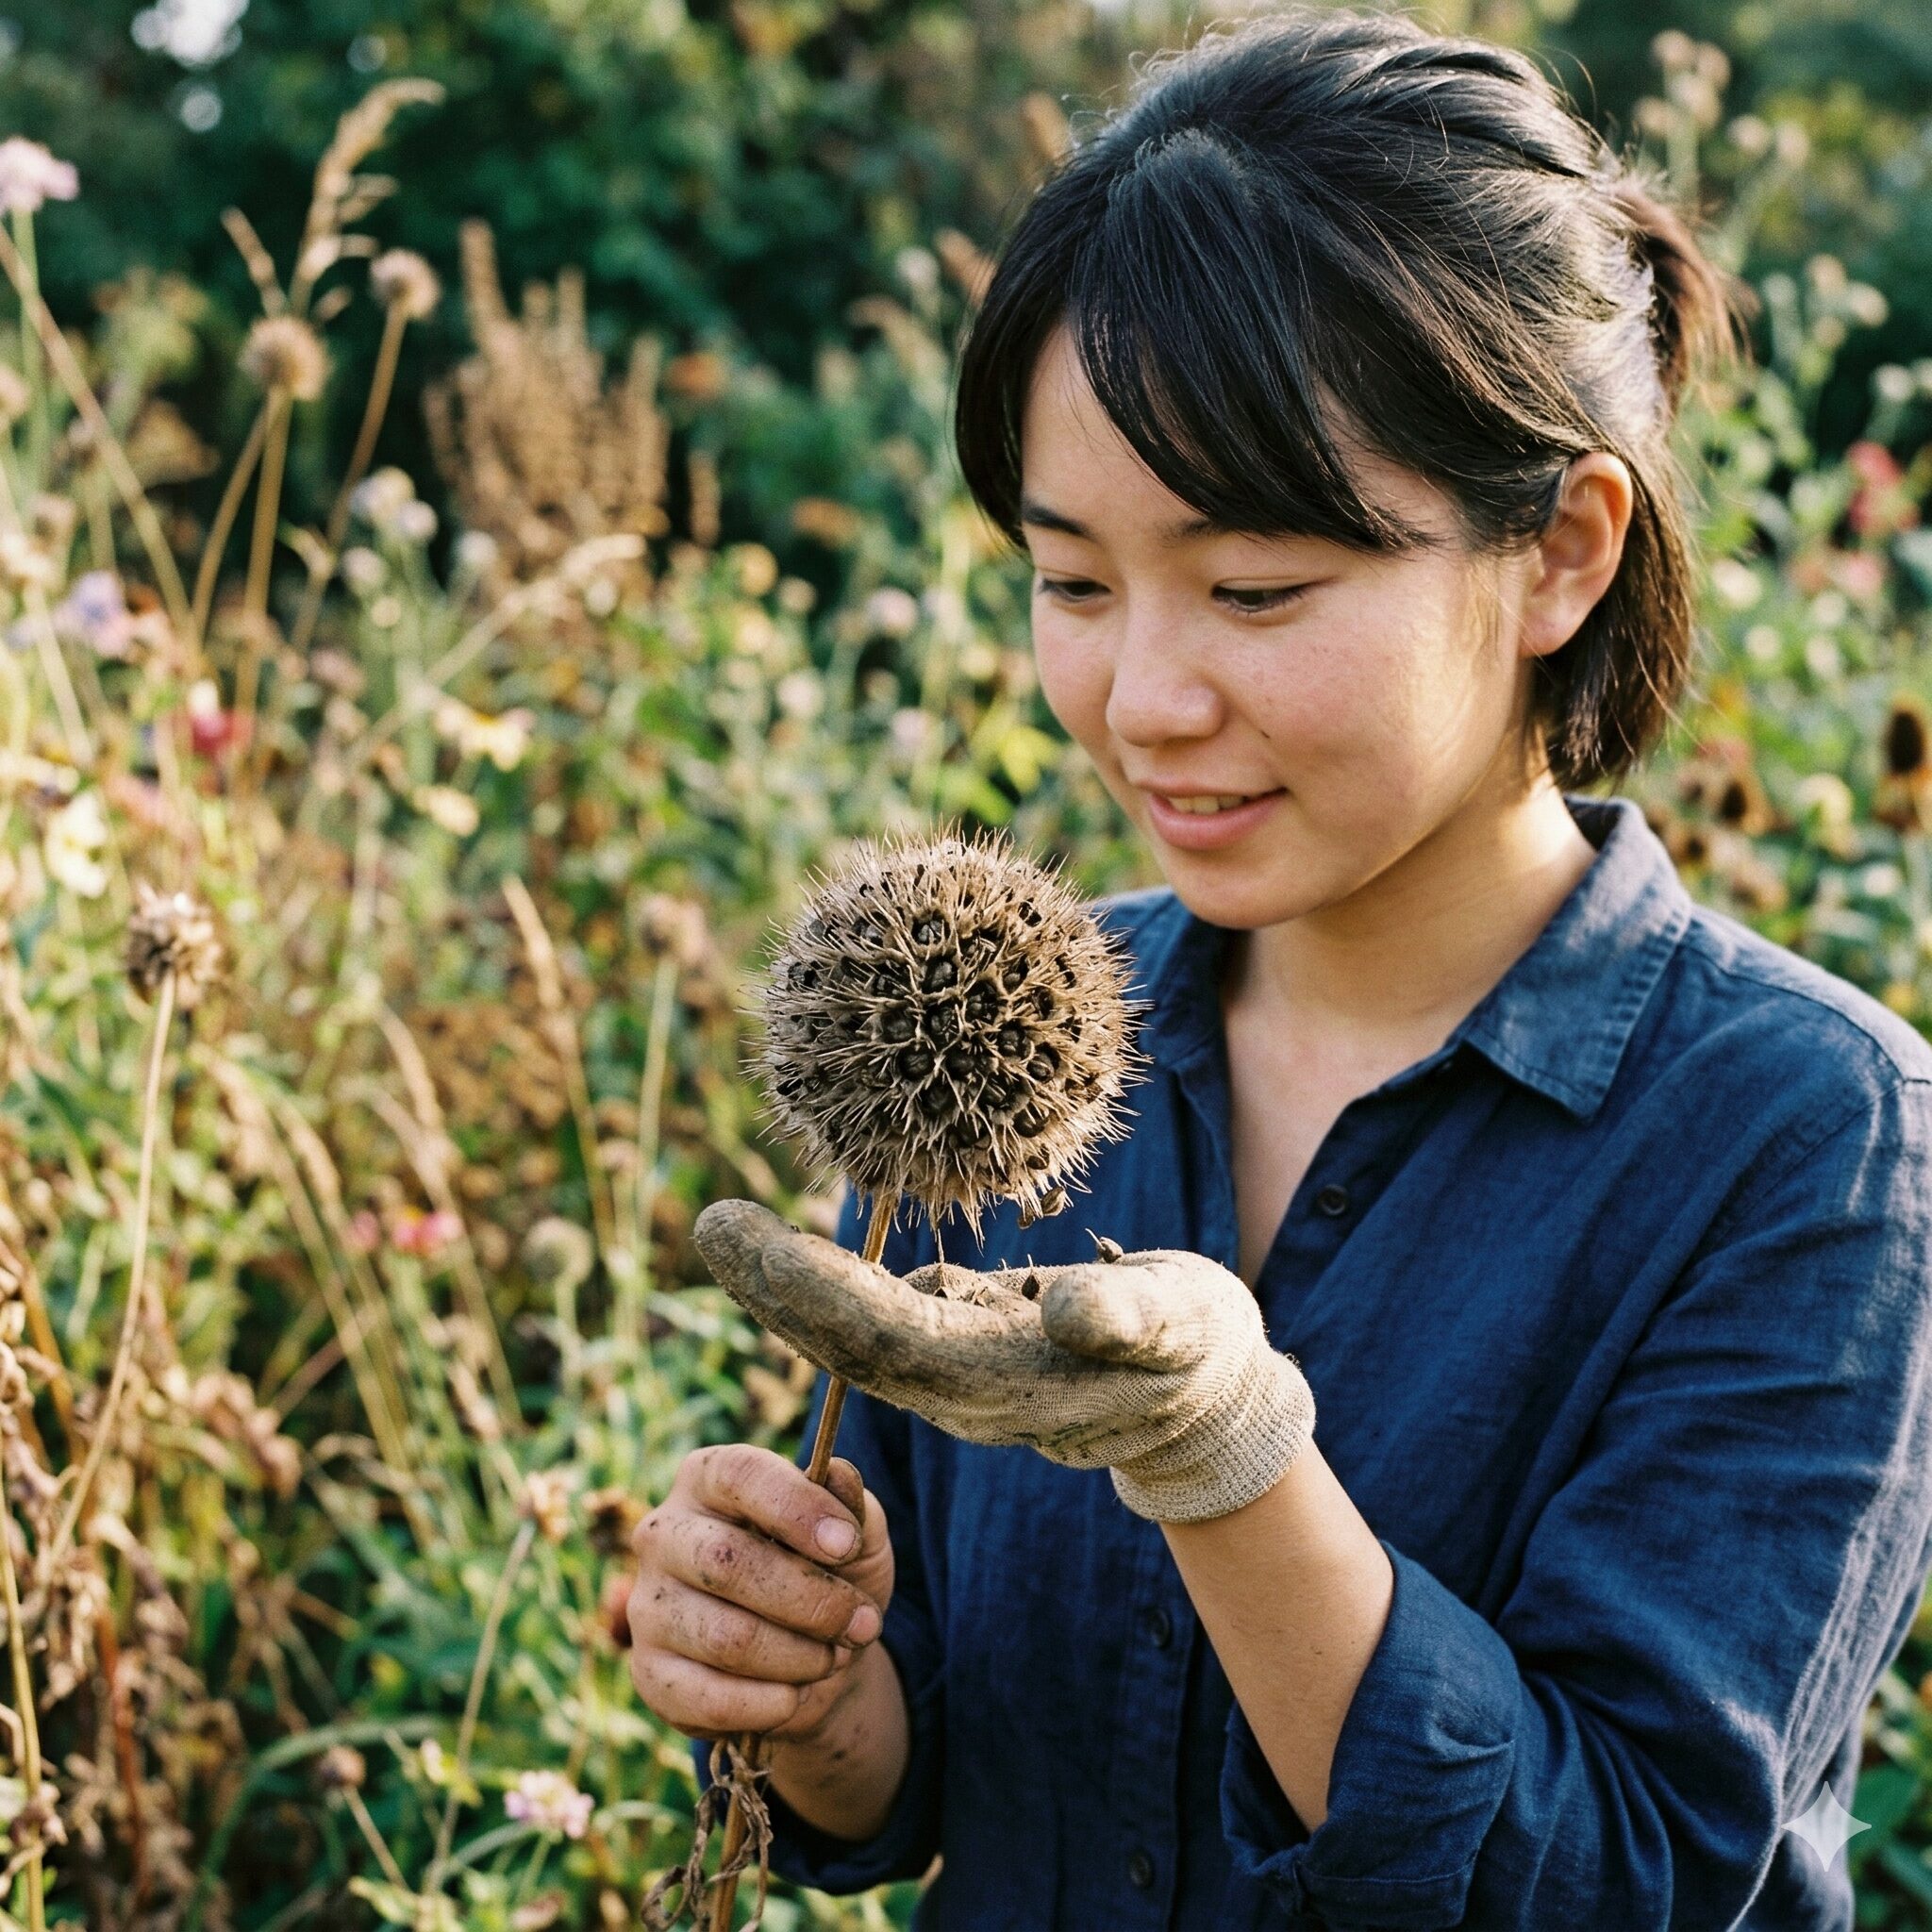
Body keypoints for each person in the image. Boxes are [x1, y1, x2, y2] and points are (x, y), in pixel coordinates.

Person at [625, 8, 1932, 1926]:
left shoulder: (1811, 1143)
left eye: (1255, 588)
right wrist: (811, 1700)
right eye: (1072, 580)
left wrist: (1230, 1461)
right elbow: (944, 1773)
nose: (1142, 700)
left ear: (1560, 552)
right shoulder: (992, 1030)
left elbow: (1628, 1883)